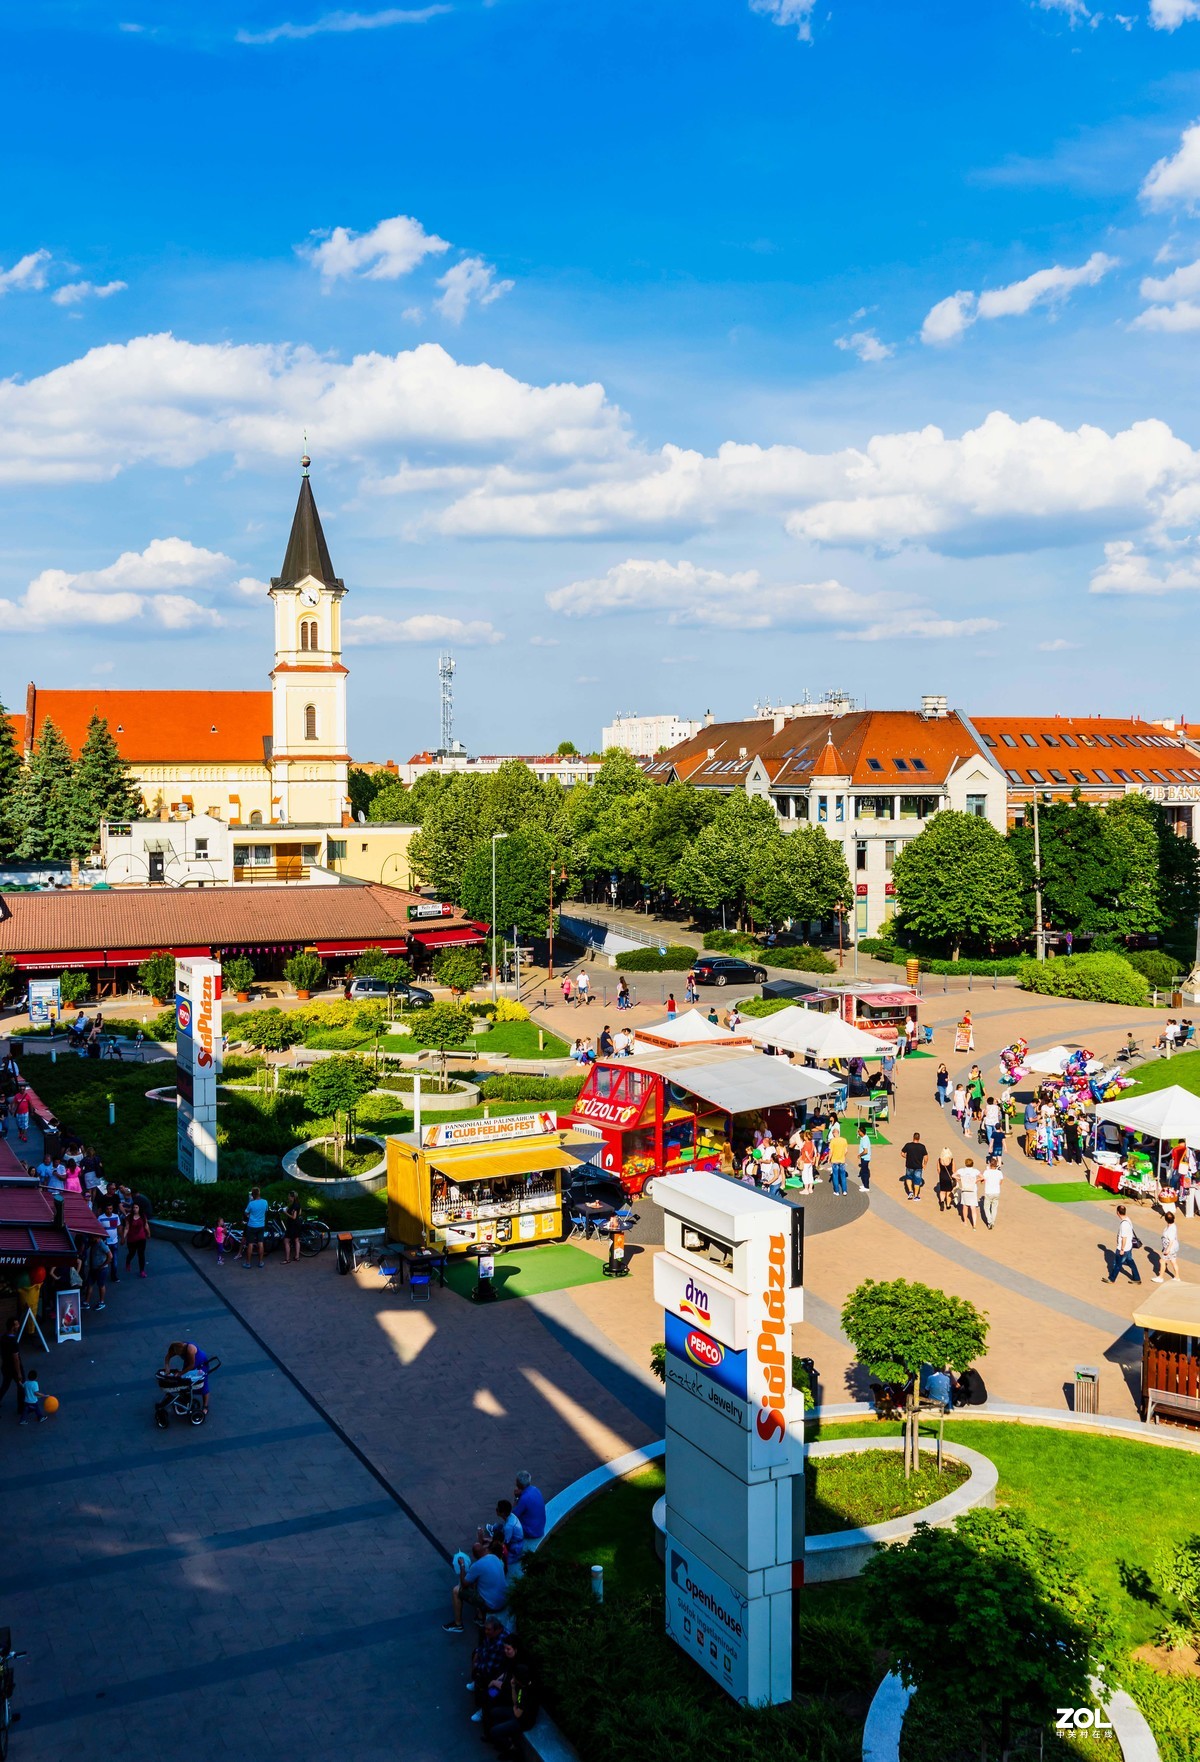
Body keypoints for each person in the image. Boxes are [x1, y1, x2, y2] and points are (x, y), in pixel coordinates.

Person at [444, 1537, 509, 1633]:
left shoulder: (477, 1566)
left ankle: (458, 1625)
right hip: (504, 1600)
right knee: (477, 1583)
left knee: (456, 1590)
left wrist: (462, 1566)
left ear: (474, 1555)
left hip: (492, 1605)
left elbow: (464, 1584)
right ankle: (480, 1617)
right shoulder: (494, 1557)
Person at [484, 1655, 538, 1757]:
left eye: (514, 1678)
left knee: (494, 1731)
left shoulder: (526, 1694)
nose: (512, 1678)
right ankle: (501, 1739)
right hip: (518, 1712)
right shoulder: (523, 1686)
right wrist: (513, 1687)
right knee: (494, 1712)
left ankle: (512, 1749)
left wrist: (515, 1707)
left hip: (523, 1721)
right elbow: (515, 1702)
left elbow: (517, 1713)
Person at [467, 1616, 510, 1723]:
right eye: (486, 1629)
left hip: (496, 1672)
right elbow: (484, 1648)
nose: (486, 1632)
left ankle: (483, 1710)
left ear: (498, 1630)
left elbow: (489, 1665)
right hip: (495, 1670)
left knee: (489, 1693)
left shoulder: (500, 1644)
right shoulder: (492, 1635)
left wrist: (476, 1669)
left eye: (488, 1630)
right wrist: (477, 1654)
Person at [164, 1340, 212, 1414]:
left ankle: (205, 1406)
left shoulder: (190, 1349)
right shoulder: (177, 1347)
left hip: (200, 1363)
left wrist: (180, 1373)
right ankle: (187, 1398)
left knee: (202, 1383)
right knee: (185, 1382)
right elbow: (167, 1357)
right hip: (188, 1362)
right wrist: (167, 1368)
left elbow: (191, 1365)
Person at [480, 1499, 525, 1575]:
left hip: (515, 1547)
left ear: (503, 1513)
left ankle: (517, 1557)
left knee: (498, 1559)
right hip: (514, 1539)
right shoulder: (511, 1516)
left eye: (497, 1509)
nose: (496, 1510)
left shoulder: (509, 1527)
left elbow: (504, 1543)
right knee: (499, 1526)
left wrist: (489, 1542)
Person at [1106, 1205, 1142, 1284]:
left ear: (1118, 1213)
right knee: (1130, 1261)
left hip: (1123, 1248)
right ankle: (1136, 1278)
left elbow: (1124, 1238)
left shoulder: (1123, 1224)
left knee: (1117, 1263)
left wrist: (1122, 1249)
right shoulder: (1128, 1219)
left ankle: (1112, 1278)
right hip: (1129, 1246)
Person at [513, 1470, 546, 1546]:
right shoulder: (535, 1489)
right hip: (539, 1528)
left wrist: (516, 1498)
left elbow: (513, 1515)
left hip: (531, 1532)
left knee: (510, 1525)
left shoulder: (524, 1498)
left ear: (518, 1484)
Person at [0, 1316, 23, 1414]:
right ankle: (21, 1409)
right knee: (21, 1386)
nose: (18, 1326)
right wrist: (19, 1373)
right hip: (13, 1368)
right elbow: (16, 1359)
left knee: (5, 1385)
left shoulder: (3, 1338)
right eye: (17, 1324)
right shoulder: (14, 1342)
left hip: (5, 1366)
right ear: (13, 1327)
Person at [96, 1201, 123, 1284]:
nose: (109, 1210)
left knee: (114, 1261)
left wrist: (122, 1237)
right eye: (108, 1209)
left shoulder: (116, 1216)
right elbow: (98, 1230)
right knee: (104, 1260)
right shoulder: (100, 1218)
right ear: (105, 1209)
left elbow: (118, 1227)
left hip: (114, 1242)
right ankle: (101, 1275)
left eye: (111, 1208)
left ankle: (113, 1276)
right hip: (105, 1243)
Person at [243, 1186, 269, 1268]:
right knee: (260, 1243)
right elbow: (266, 1211)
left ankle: (248, 1263)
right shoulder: (265, 1202)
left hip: (251, 1226)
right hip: (261, 1225)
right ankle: (260, 1262)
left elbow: (246, 1213)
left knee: (250, 1244)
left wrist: (250, 1215)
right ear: (259, 1193)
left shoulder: (251, 1203)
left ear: (252, 1195)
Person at [84, 1231, 111, 1310]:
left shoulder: (102, 1244)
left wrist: (102, 1265)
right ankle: (86, 1302)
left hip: (101, 1269)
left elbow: (110, 1256)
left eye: (92, 1237)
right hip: (93, 1268)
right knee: (90, 1284)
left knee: (101, 1285)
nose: (91, 1239)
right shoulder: (94, 1243)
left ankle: (101, 1302)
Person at [900, 1131, 927, 1201]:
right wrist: (924, 1164)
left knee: (908, 1178)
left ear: (913, 1137)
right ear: (919, 1138)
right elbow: (926, 1157)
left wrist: (907, 1157)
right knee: (917, 1181)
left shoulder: (908, 1145)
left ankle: (910, 1191)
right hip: (918, 1167)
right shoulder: (922, 1147)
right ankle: (916, 1196)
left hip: (909, 1165)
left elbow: (902, 1153)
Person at [1154, 1210, 1180, 1282]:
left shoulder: (1170, 1229)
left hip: (1169, 1249)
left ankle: (1160, 1277)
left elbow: (1171, 1240)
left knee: (1162, 1261)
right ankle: (1177, 1277)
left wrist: (1167, 1250)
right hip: (1173, 1248)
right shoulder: (1172, 1226)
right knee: (1173, 1261)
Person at [125, 1202, 150, 1276]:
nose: (135, 1209)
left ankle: (142, 1270)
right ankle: (128, 1262)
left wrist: (148, 1233)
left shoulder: (143, 1216)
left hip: (141, 1238)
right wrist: (123, 1237)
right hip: (131, 1239)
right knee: (132, 1253)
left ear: (139, 1208)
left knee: (141, 1254)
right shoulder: (129, 1217)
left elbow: (146, 1225)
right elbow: (126, 1228)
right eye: (134, 1208)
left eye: (137, 1207)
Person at [980, 1157, 1004, 1230]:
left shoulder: (986, 1172)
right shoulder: (999, 1172)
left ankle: (989, 1221)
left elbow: (982, 1181)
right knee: (994, 1208)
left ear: (990, 1164)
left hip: (988, 1192)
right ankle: (992, 1221)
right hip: (996, 1192)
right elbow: (1001, 1182)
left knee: (986, 1207)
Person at [956, 1157, 979, 1229]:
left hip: (965, 1190)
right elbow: (982, 1177)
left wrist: (960, 1179)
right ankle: (974, 1224)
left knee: (965, 1206)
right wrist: (976, 1180)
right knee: (973, 1208)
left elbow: (953, 1175)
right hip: (973, 1190)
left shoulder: (962, 1170)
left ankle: (965, 1221)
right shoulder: (975, 1171)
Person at [827, 1120, 849, 1196]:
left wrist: (829, 1159)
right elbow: (846, 1151)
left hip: (835, 1161)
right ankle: (844, 1190)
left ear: (833, 1134)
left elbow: (831, 1151)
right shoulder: (844, 1140)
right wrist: (842, 1156)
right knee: (843, 1176)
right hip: (842, 1160)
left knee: (835, 1176)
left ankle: (837, 1191)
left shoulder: (832, 1141)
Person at [283, 1190, 303, 1265]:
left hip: (292, 1225)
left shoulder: (294, 1205)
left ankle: (287, 1259)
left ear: (293, 1197)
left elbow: (293, 1217)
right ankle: (297, 1257)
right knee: (297, 1240)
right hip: (298, 1224)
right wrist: (289, 1209)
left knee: (286, 1241)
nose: (288, 1198)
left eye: (289, 1196)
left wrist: (285, 1213)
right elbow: (299, 1213)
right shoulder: (297, 1204)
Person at [934, 1146, 956, 1213]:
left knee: (942, 1191)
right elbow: (954, 1169)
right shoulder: (951, 1160)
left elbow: (938, 1169)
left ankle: (942, 1202)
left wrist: (940, 1174)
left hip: (942, 1176)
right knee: (949, 1191)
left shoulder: (940, 1159)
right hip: (950, 1177)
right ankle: (948, 1205)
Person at [857, 1125, 872, 1191]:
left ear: (861, 1132)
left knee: (865, 1172)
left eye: (859, 1131)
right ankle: (864, 1185)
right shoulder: (863, 1138)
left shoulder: (865, 1139)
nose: (858, 1133)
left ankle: (866, 1186)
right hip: (864, 1158)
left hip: (865, 1158)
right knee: (863, 1170)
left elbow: (865, 1151)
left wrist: (860, 1155)